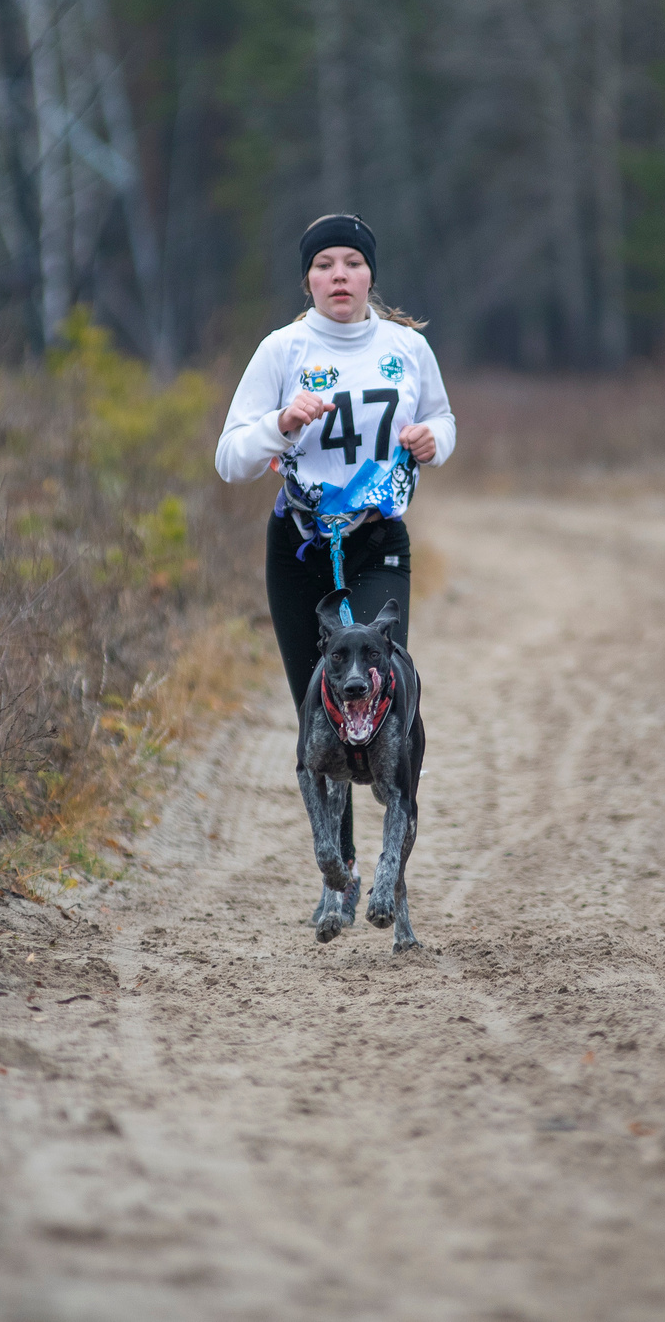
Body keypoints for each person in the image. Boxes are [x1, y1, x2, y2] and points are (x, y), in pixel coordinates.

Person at [213, 212, 455, 877]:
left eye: (352, 262)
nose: (339, 275)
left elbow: (441, 418)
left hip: (378, 540)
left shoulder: (407, 348)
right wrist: (280, 422)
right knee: (319, 706)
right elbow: (229, 458)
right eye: (324, 265)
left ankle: (394, 837)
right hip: (299, 547)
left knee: (377, 683)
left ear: (370, 274)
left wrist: (434, 440)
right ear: (308, 280)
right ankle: (340, 871)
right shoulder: (282, 350)